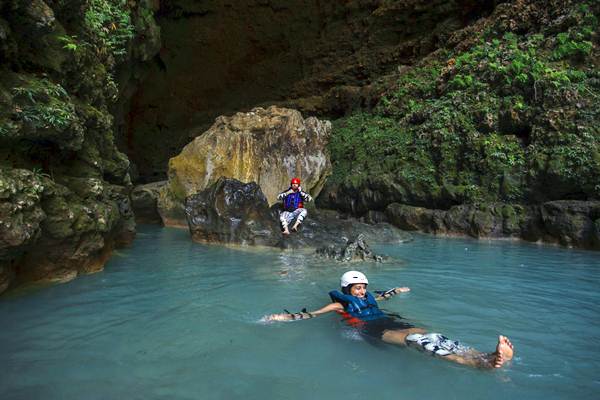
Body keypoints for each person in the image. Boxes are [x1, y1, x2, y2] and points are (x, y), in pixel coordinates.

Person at [265, 271, 514, 369]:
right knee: (416, 340)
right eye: (356, 288)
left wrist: (396, 291)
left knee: (434, 336)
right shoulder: (338, 304)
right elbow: (312, 314)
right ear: (346, 289)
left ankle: (484, 355)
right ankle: (474, 364)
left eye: (363, 288)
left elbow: (382, 298)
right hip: (370, 329)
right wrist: (284, 317)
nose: (362, 291)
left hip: (389, 320)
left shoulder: (371, 298)